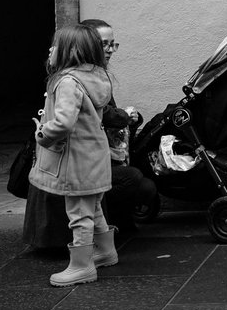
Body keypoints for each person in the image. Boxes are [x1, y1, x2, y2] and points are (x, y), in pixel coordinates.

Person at [29, 24, 115, 287]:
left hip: (76, 160)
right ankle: (105, 252)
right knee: (93, 207)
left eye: (56, 45)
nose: (51, 49)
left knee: (79, 214)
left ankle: (82, 266)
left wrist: (43, 133)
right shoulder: (97, 76)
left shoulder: (67, 81)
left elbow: (64, 123)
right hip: (94, 156)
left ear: (70, 51)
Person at [80, 18, 157, 235]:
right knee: (135, 181)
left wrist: (127, 118)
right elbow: (99, 113)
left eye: (113, 44)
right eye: (104, 44)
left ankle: (114, 228)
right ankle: (108, 231)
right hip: (85, 160)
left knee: (142, 181)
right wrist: (123, 116)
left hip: (99, 156)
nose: (111, 50)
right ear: (87, 44)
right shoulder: (82, 77)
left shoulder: (97, 73)